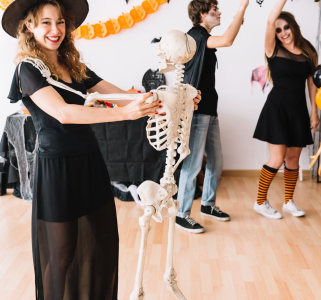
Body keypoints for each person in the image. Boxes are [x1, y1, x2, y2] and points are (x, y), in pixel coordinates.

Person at [2, 0, 200, 298]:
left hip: (89, 162)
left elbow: (122, 95)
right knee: (62, 254)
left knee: (104, 242)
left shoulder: (71, 65)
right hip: (58, 169)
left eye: (59, 21)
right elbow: (64, 113)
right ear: (29, 26)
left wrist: (168, 100)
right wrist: (125, 114)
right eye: (46, 22)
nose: (55, 29)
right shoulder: (27, 70)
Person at [176, 0, 249, 233]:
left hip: (209, 106)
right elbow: (227, 39)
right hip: (196, 108)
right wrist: (242, 7)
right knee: (194, 162)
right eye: (214, 9)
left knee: (216, 160)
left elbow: (226, 37)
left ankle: (208, 205)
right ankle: (182, 214)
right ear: (201, 14)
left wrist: (237, 19)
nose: (219, 12)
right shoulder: (195, 35)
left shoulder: (202, 37)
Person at [252, 0, 319, 219]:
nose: (282, 33)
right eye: (278, 30)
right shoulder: (273, 49)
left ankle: (289, 202)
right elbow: (270, 20)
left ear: (293, 26)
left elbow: (312, 83)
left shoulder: (308, 51)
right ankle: (260, 202)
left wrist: (314, 111)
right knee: (277, 158)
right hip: (277, 109)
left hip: (298, 110)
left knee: (293, 159)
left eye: (286, 27)